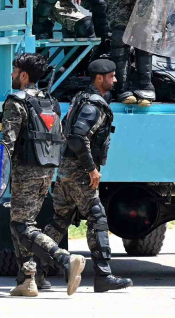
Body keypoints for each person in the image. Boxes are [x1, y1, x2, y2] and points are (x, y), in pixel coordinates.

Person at [0, 52, 86, 297]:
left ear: (24, 75)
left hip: (26, 171)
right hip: (48, 170)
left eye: (15, 71)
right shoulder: (51, 101)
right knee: (26, 222)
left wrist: (0, 176)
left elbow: (7, 142)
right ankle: (27, 279)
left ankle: (65, 259)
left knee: (21, 225)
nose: (12, 75)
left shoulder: (16, 102)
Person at [43, 59, 133, 293]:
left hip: (66, 168)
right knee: (97, 217)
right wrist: (92, 169)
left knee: (60, 219)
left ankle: (32, 270)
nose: (115, 80)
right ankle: (103, 275)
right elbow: (76, 138)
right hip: (78, 170)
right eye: (111, 76)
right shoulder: (93, 105)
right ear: (99, 78)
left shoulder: (82, 98)